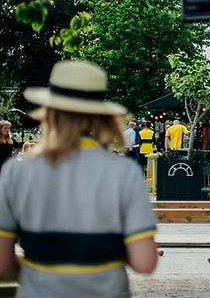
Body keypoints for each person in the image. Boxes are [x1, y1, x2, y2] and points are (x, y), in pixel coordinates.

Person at [0, 60, 157, 297]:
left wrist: (41, 270)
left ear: (49, 111)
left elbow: (2, 264)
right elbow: (145, 262)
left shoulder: (16, 171)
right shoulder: (124, 173)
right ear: (99, 115)